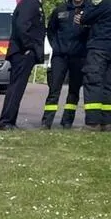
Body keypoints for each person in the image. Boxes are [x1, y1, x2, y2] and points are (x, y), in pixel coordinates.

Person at [0, 0, 44, 130]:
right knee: (16, 88)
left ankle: (9, 121)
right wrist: (29, 47)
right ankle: (6, 121)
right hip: (23, 52)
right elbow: (22, 25)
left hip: (23, 51)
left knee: (16, 89)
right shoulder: (30, 3)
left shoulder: (33, 4)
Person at [42, 0, 87, 129]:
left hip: (79, 57)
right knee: (54, 90)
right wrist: (56, 47)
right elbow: (51, 30)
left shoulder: (89, 10)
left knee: (74, 91)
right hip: (59, 57)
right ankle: (46, 122)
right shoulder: (60, 9)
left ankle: (67, 121)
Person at [77, 0, 111, 131]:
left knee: (93, 82)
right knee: (108, 86)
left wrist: (89, 6)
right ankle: (107, 122)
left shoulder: (105, 4)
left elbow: (85, 18)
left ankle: (92, 123)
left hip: (99, 48)